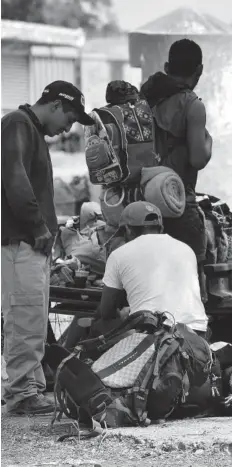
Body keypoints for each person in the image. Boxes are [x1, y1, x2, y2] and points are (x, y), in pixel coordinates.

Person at [2, 81, 94, 415]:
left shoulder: (30, 131)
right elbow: (14, 179)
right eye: (69, 116)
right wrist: (38, 226)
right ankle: (22, 393)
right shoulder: (17, 124)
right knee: (25, 315)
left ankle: (27, 387)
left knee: (32, 316)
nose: (68, 126)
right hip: (22, 240)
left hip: (32, 242)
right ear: (55, 104)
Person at [141, 38, 213, 302]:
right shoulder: (192, 105)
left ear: (167, 66)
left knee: (148, 284)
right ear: (200, 70)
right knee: (191, 286)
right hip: (178, 203)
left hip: (141, 201)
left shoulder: (143, 96)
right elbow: (197, 159)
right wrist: (209, 141)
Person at [98, 201, 208, 336]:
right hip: (197, 331)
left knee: (100, 324)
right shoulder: (186, 249)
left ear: (127, 229)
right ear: (160, 228)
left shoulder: (119, 254)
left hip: (153, 331)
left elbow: (106, 311)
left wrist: (121, 314)